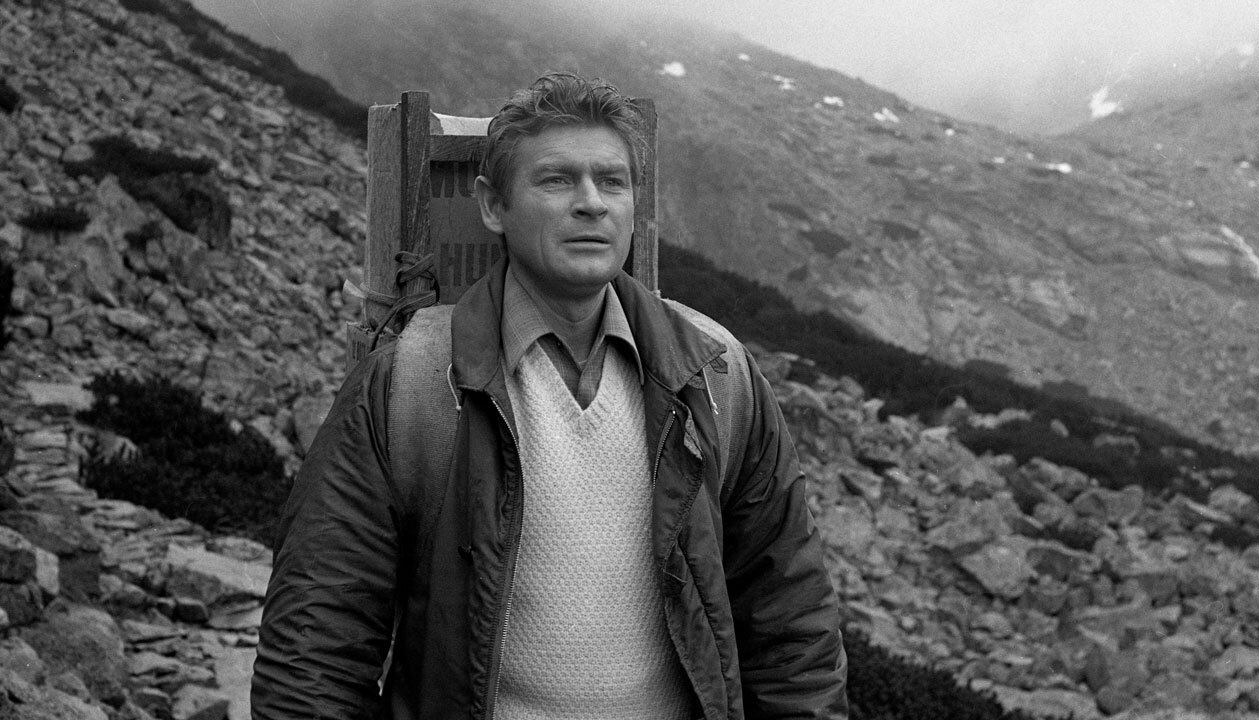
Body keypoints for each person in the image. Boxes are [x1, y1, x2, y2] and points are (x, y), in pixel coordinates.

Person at [251, 72, 847, 720]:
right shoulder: (412, 383)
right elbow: (316, 646)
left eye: (612, 181)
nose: (591, 203)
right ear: (493, 206)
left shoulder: (716, 373)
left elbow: (791, 626)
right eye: (557, 180)